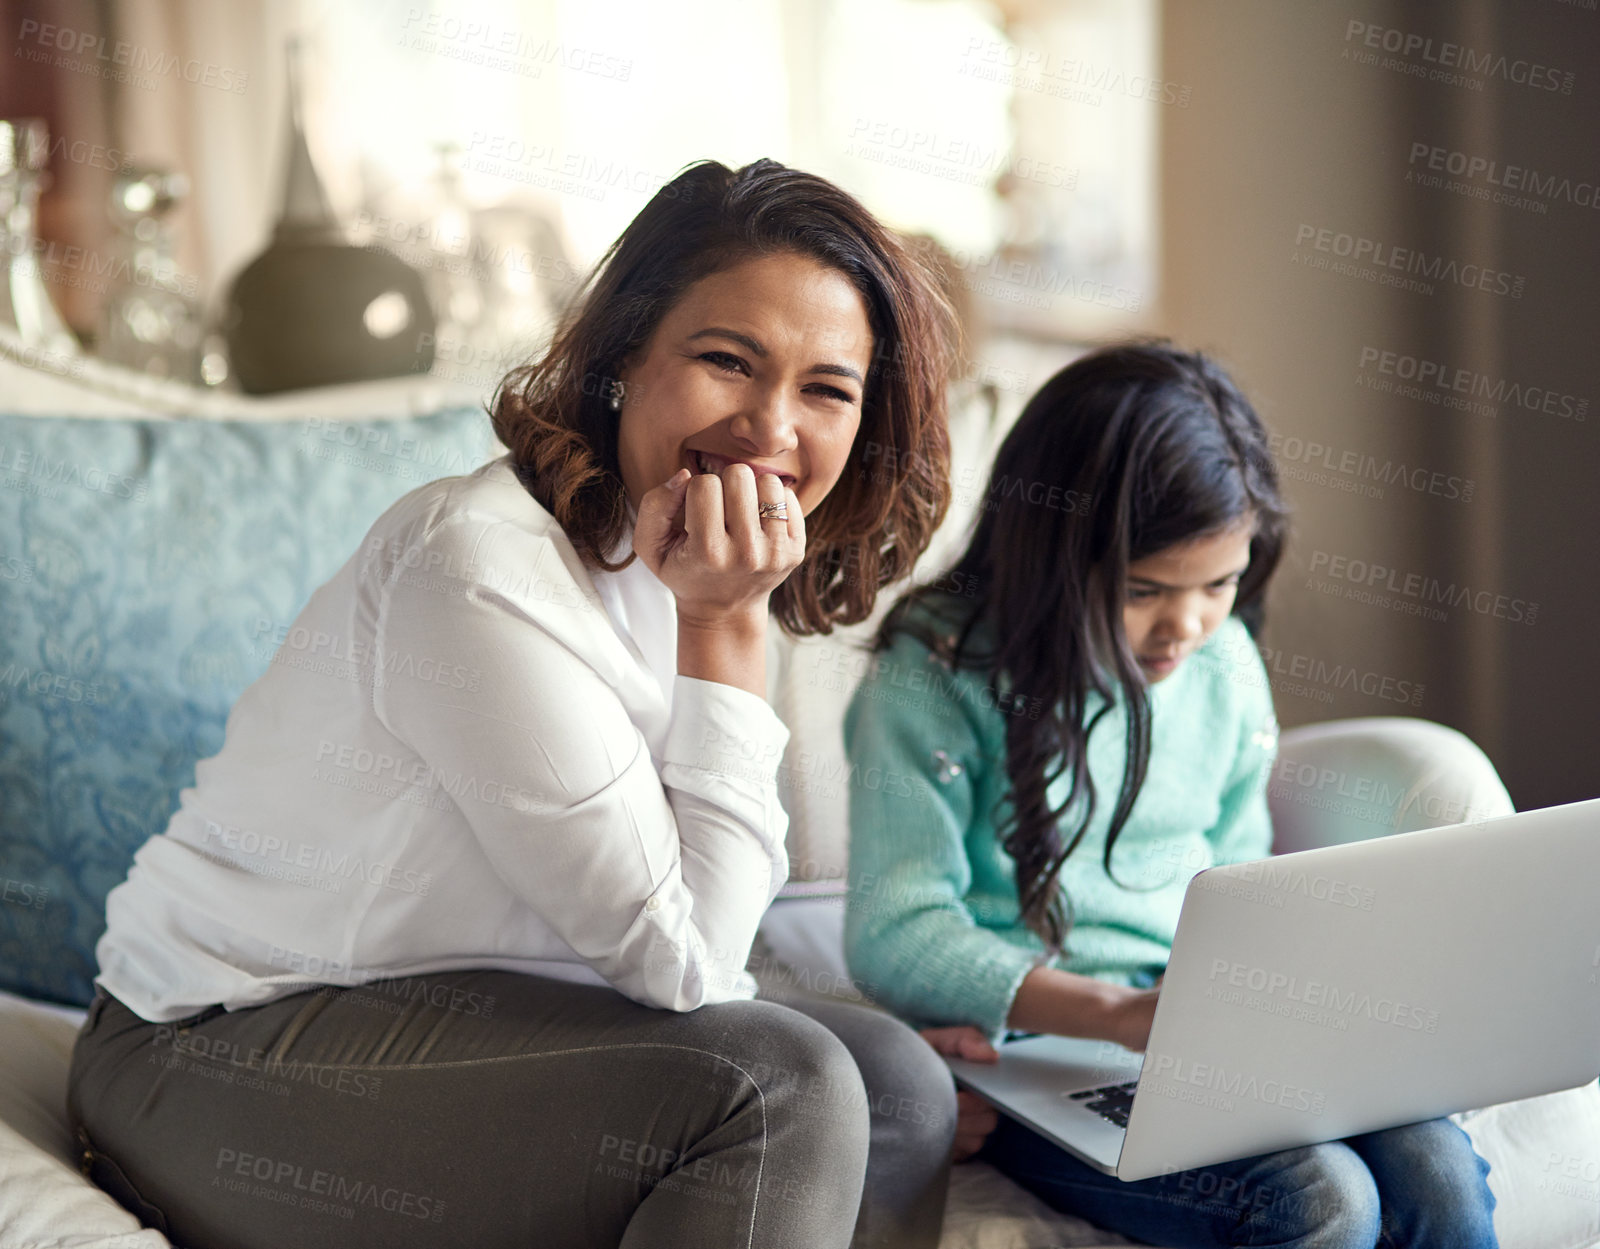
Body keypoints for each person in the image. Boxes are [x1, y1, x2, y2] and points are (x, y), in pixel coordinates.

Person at [68, 159, 961, 1249]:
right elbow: (685, 970)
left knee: (901, 1085)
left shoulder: (676, 551)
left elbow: (692, 943)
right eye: (728, 361)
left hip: (476, 1019)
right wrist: (726, 628)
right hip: (217, 1048)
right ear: (624, 359)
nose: (771, 427)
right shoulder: (479, 564)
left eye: (827, 389)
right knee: (778, 1086)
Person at [843, 343, 1499, 1248]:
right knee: (1321, 1201)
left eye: (1219, 584)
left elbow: (1239, 879)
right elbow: (897, 928)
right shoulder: (935, 670)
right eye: (1144, 588)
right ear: (1053, 553)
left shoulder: (1223, 663)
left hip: (1197, 1033)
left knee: (1437, 1173)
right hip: (1032, 1054)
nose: (1185, 625)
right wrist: (1120, 1016)